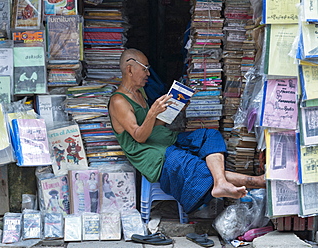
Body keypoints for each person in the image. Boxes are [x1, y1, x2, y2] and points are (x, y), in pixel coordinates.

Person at [108, 48, 266, 214]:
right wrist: (152, 112)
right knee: (193, 166)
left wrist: (178, 109)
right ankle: (256, 181)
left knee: (209, 135)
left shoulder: (139, 92)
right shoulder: (119, 101)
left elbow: (154, 124)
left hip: (164, 139)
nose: (148, 73)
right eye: (145, 68)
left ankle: (220, 183)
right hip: (149, 152)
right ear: (130, 69)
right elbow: (139, 136)